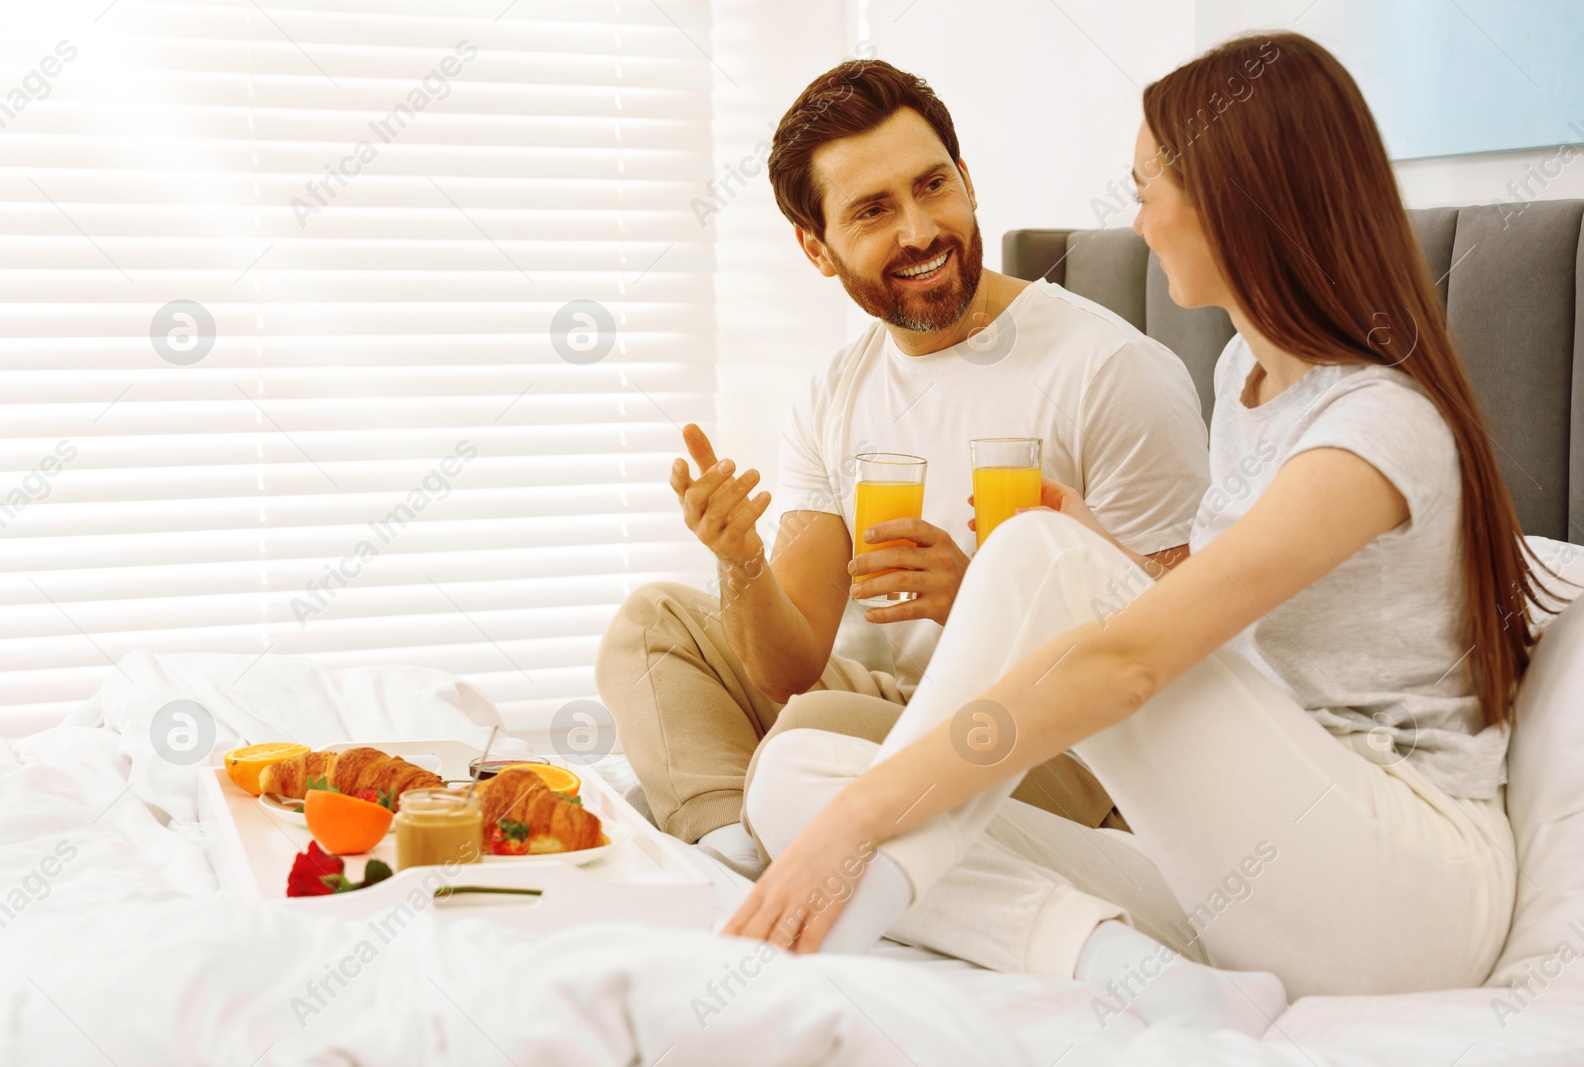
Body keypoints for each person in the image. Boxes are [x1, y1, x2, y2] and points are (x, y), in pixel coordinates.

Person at [727, 32, 1571, 1036]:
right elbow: (1234, 639)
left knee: (874, 782)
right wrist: (1102, 556)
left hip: (1403, 895)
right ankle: (1128, 966)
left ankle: (811, 949)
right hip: (1264, 873)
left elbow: (1133, 664)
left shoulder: (1377, 428)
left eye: (1146, 190)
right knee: (792, 778)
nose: (1138, 222)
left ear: (1231, 204)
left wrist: (864, 822)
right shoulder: (1247, 385)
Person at [595, 60, 1210, 876]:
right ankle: (730, 847)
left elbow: (1184, 656)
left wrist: (983, 601)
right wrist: (741, 562)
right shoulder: (833, 394)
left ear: (969, 182)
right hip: (888, 710)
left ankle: (769, 811)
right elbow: (789, 665)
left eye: (933, 186)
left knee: (810, 736)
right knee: (652, 624)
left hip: (1057, 738)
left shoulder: (1110, 371)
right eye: (874, 210)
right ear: (817, 249)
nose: (920, 231)